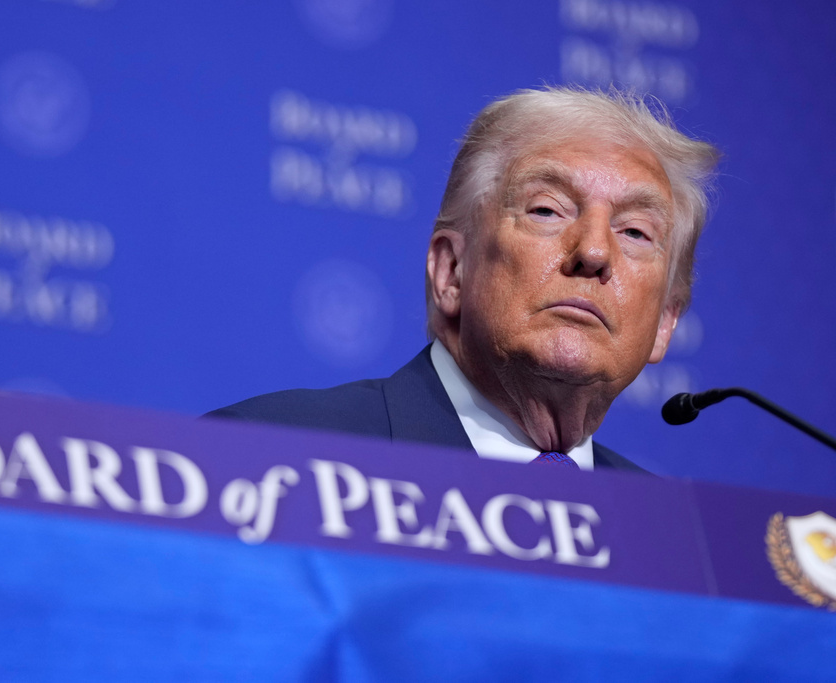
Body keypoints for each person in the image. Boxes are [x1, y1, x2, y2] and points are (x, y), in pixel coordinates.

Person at [209, 86, 719, 472]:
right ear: (451, 270)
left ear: (665, 322)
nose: (592, 251)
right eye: (547, 210)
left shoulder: (676, 546)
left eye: (634, 231)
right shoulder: (269, 456)